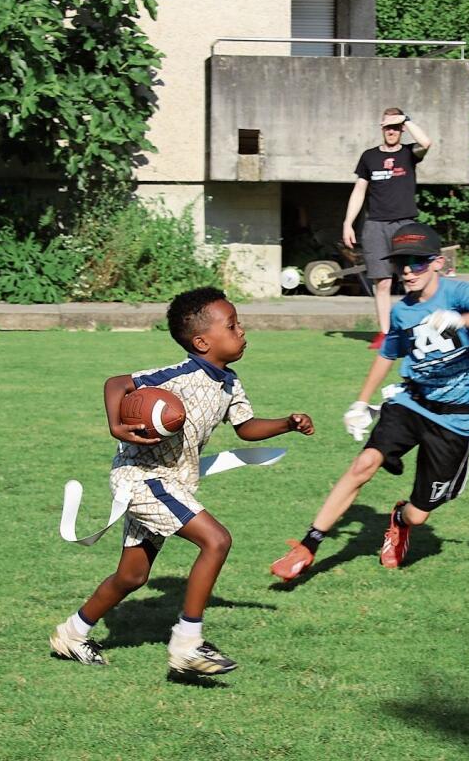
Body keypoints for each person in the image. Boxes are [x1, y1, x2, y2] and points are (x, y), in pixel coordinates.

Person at [51, 287, 314, 675]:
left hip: (172, 481)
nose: (242, 330)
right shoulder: (180, 377)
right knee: (217, 540)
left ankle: (70, 634)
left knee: (132, 576)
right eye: (232, 325)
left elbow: (245, 427)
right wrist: (117, 426)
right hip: (144, 478)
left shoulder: (229, 382)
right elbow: (116, 383)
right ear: (202, 341)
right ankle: (187, 644)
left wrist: (286, 425)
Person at [271, 223, 469, 582]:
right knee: (364, 462)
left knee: (419, 514)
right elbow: (386, 355)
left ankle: (398, 520)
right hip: (412, 403)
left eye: (418, 262)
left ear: (438, 263)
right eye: (401, 264)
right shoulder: (401, 312)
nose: (408, 270)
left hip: (455, 420)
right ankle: (308, 545)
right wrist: (360, 403)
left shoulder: (459, 294)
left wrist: (460, 319)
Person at [343, 107, 432, 349]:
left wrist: (407, 119)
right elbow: (359, 190)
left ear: (402, 129)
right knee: (381, 281)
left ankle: (412, 329)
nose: (391, 131)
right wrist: (347, 223)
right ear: (381, 128)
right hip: (375, 225)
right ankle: (385, 334)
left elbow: (426, 141)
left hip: (405, 224)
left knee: (411, 277)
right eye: (387, 127)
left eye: (396, 127)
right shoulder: (369, 157)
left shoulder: (409, 153)